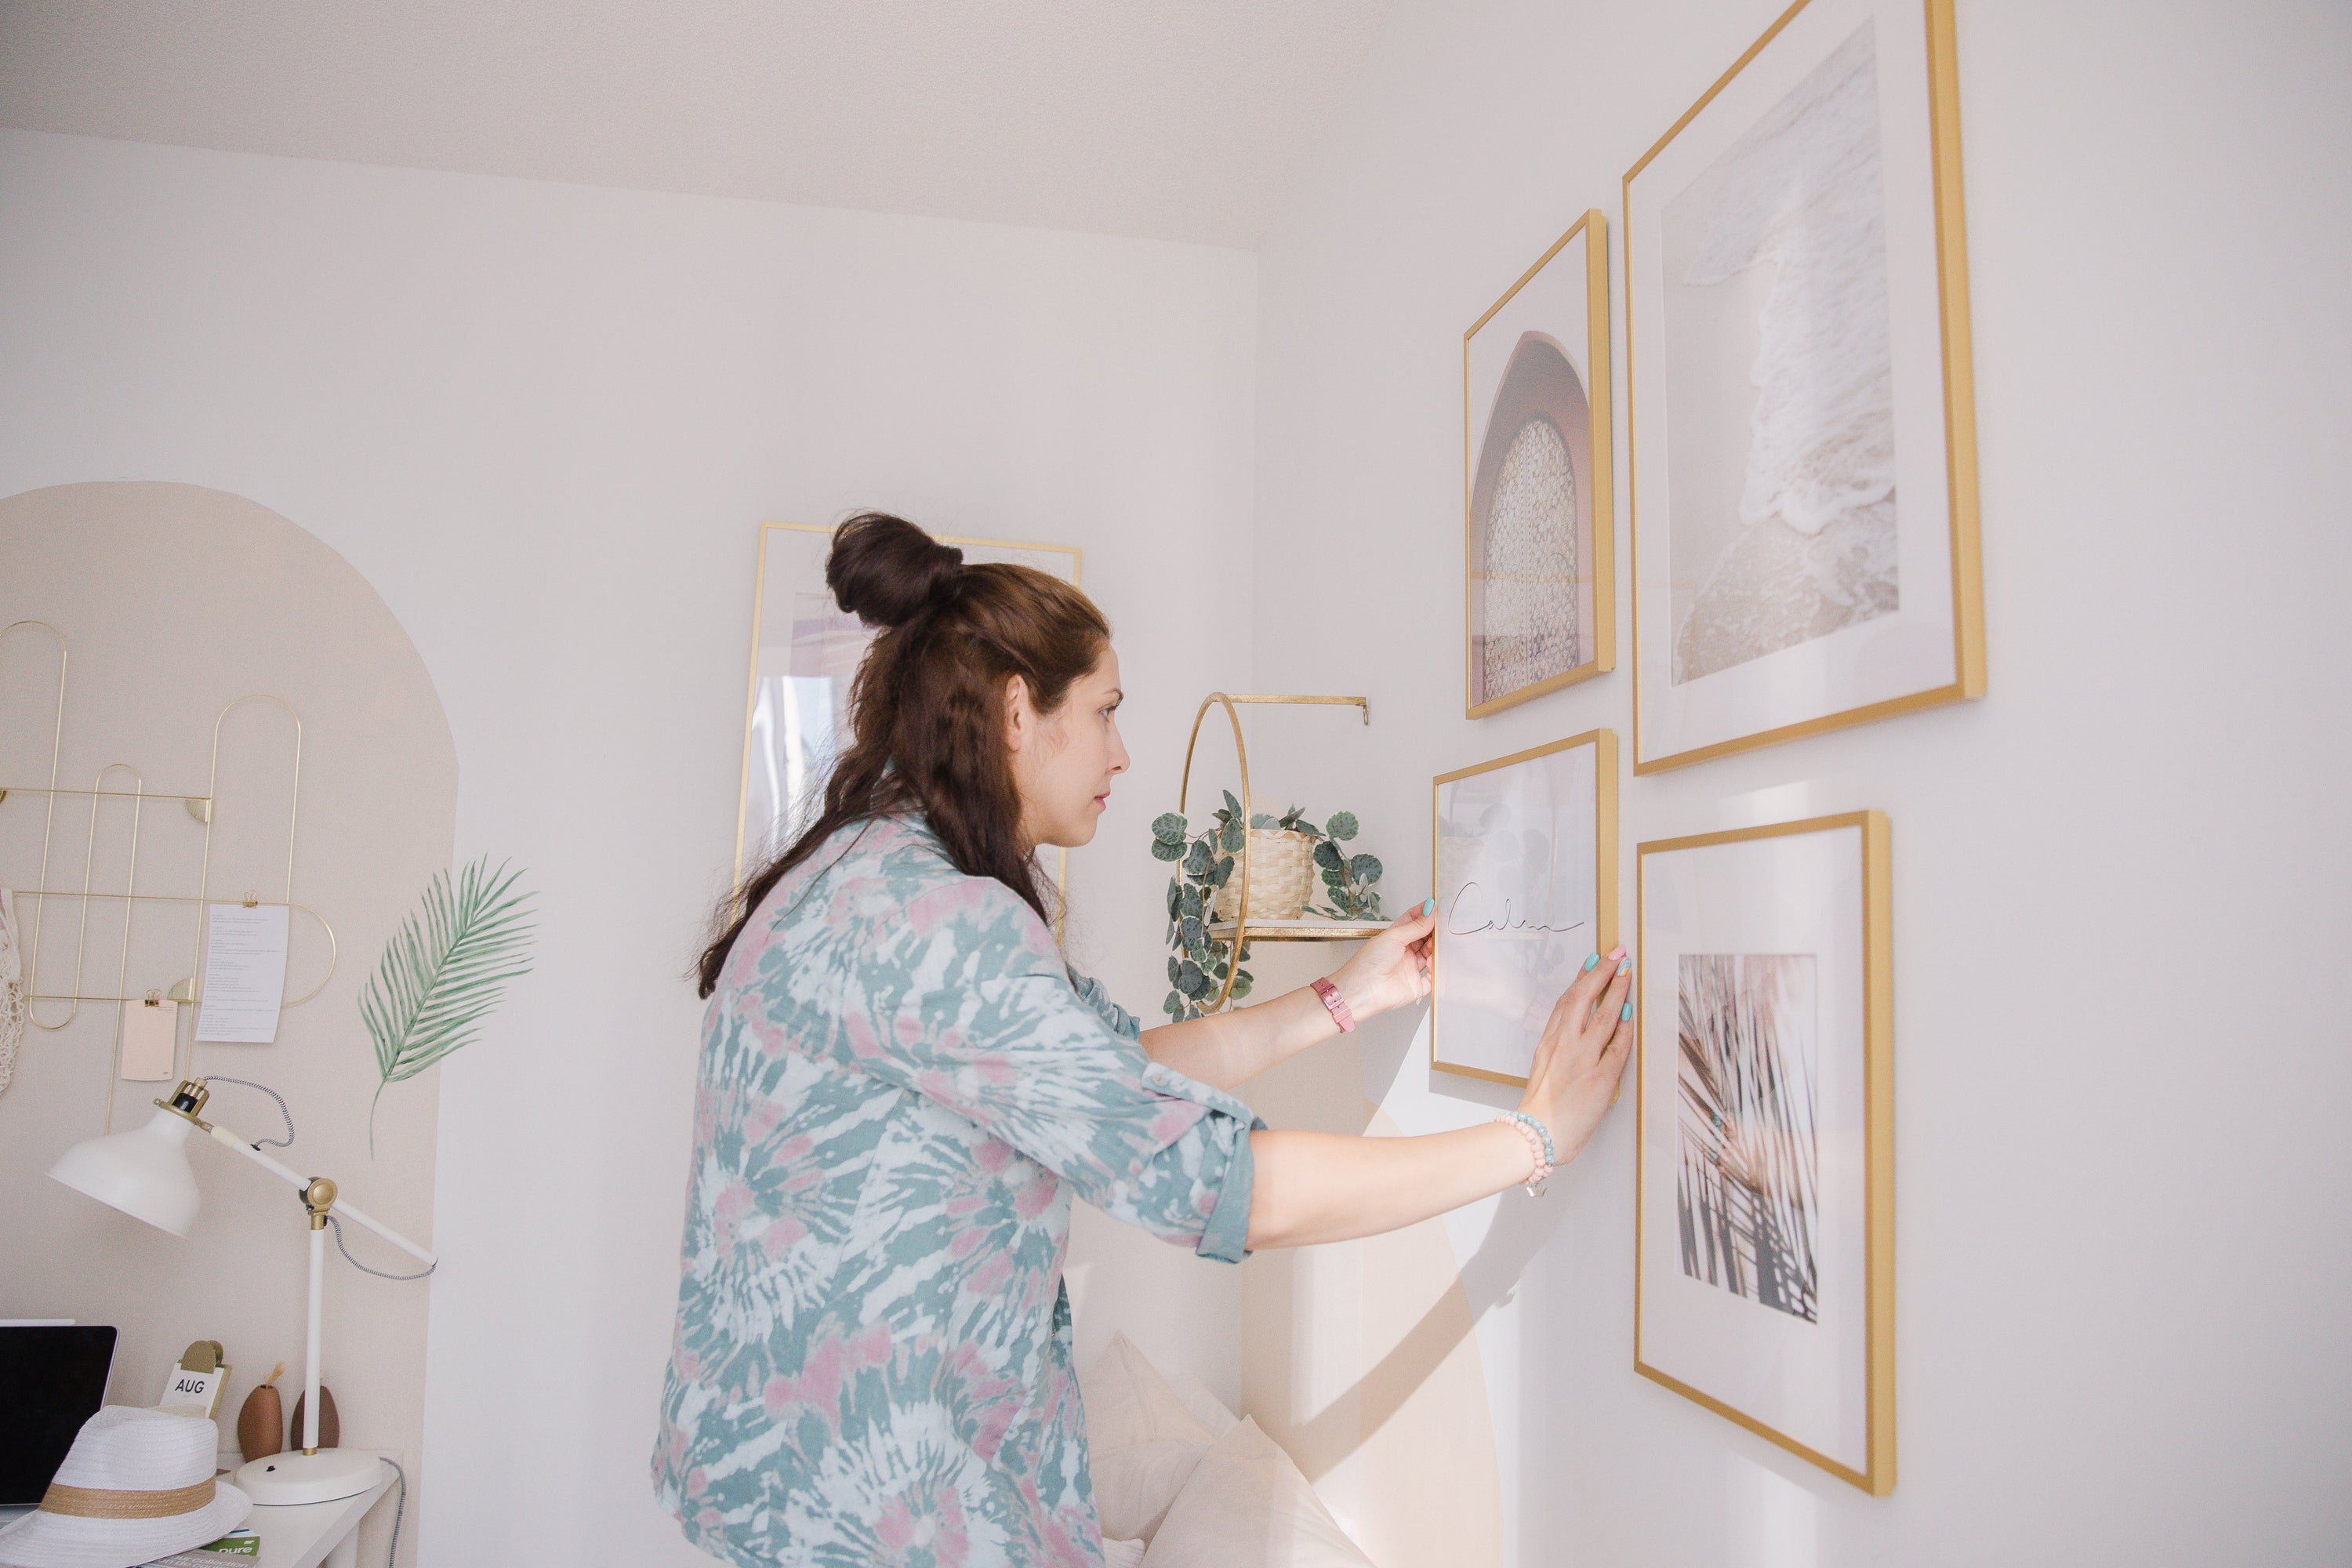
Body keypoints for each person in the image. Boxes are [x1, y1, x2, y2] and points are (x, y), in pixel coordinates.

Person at [652, 513, 1633, 1567]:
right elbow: (1228, 1186)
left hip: (767, 1485)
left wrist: (1343, 1000)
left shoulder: (853, 875)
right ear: (1019, 712)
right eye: (1107, 711)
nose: (1122, 753)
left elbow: (1105, 1070)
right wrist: (1531, 1139)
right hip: (879, 1517)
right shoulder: (948, 928)